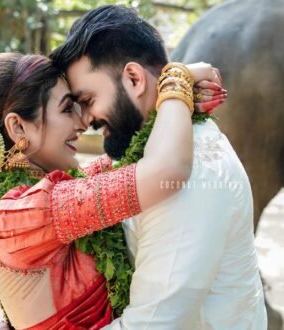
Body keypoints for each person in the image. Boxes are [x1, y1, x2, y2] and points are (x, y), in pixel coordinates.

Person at [0, 52, 221, 329]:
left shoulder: (47, 198)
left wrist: (172, 105)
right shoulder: (19, 218)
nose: (82, 122)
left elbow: (130, 161)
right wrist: (175, 80)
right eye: (66, 108)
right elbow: (168, 170)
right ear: (18, 127)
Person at [50, 5, 267, 329]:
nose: (86, 121)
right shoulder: (153, 144)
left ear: (135, 79)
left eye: (88, 100)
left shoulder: (191, 178)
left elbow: (153, 323)